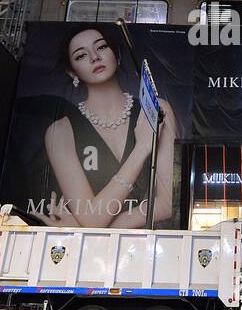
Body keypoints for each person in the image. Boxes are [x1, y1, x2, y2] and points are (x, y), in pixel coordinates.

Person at [31, 24, 177, 228]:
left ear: (116, 56)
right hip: (85, 251)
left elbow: (167, 204)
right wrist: (142, 148)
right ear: (73, 73)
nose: (94, 57)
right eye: (81, 56)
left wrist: (103, 229)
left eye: (101, 47)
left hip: (144, 245)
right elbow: (91, 219)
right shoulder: (60, 131)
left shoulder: (157, 109)